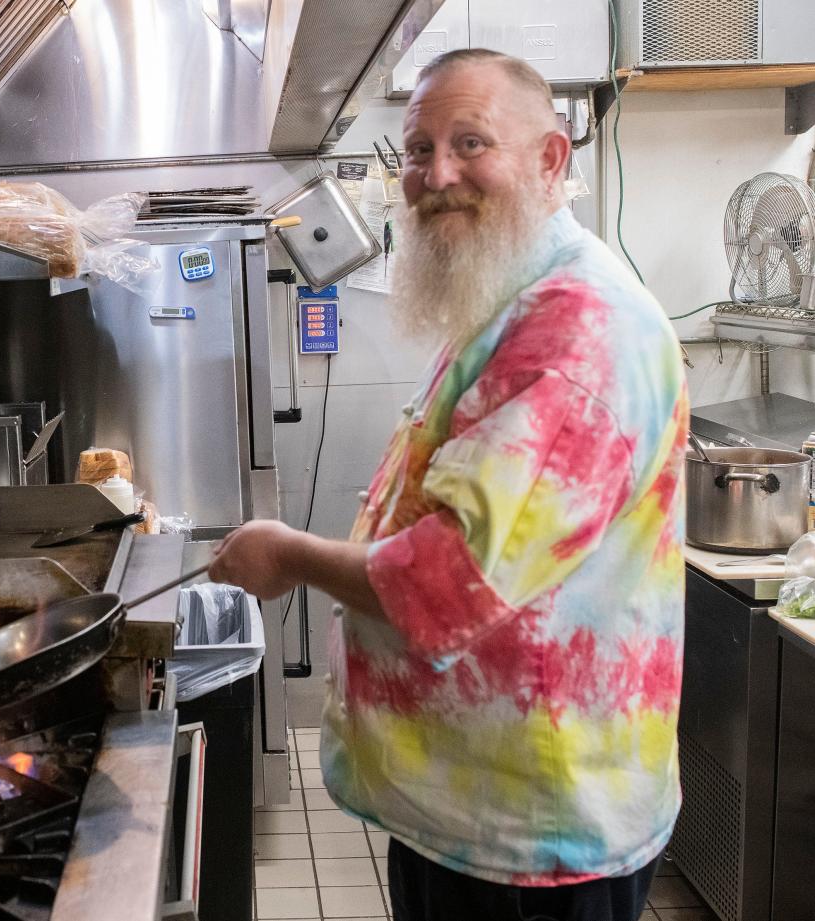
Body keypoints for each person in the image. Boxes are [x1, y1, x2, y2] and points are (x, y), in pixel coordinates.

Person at [208, 48, 687, 921]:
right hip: (475, 807)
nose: (437, 173)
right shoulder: (515, 296)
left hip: (531, 836)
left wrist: (289, 554)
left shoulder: (580, 333)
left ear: (551, 160)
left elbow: (449, 582)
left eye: (471, 143)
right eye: (419, 148)